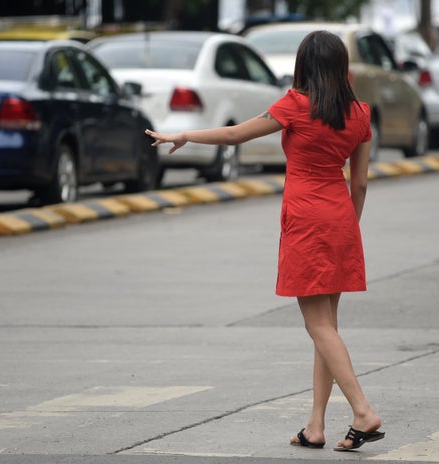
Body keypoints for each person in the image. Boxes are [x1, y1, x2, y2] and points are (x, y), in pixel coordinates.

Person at [145, 30, 384, 452]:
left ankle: (363, 411)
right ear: (341, 65)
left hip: (307, 221)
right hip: (341, 220)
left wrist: (186, 136)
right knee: (326, 329)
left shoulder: (294, 104)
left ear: (303, 65)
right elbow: (360, 184)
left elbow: (237, 135)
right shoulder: (360, 113)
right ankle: (315, 427)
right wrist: (349, 227)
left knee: (318, 327)